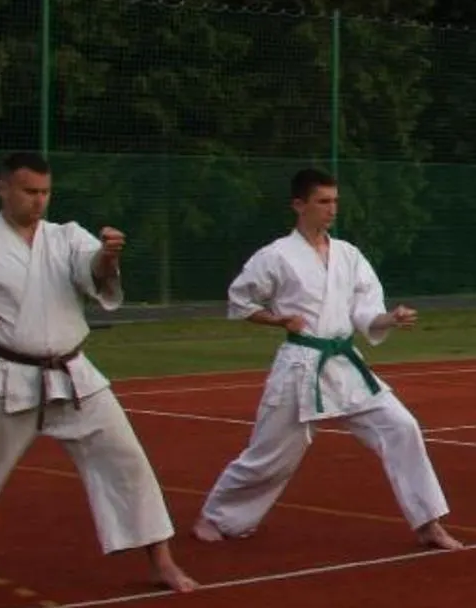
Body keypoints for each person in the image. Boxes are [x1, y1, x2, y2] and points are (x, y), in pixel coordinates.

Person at [0, 151, 196, 595]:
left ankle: (161, 561)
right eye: (29, 191)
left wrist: (108, 256)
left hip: (72, 373)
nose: (38, 201)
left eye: (45, 192)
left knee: (127, 461)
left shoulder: (66, 236)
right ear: (4, 188)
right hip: (5, 375)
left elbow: (95, 275)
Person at [194, 168, 461, 552]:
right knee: (271, 455)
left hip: (345, 363)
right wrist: (277, 319)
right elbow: (241, 301)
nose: (332, 209)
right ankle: (216, 516)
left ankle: (428, 522)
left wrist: (390, 318)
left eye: (335, 201)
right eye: (323, 201)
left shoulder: (348, 255)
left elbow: (365, 311)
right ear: (299, 205)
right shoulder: (275, 256)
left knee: (401, 426)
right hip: (301, 364)